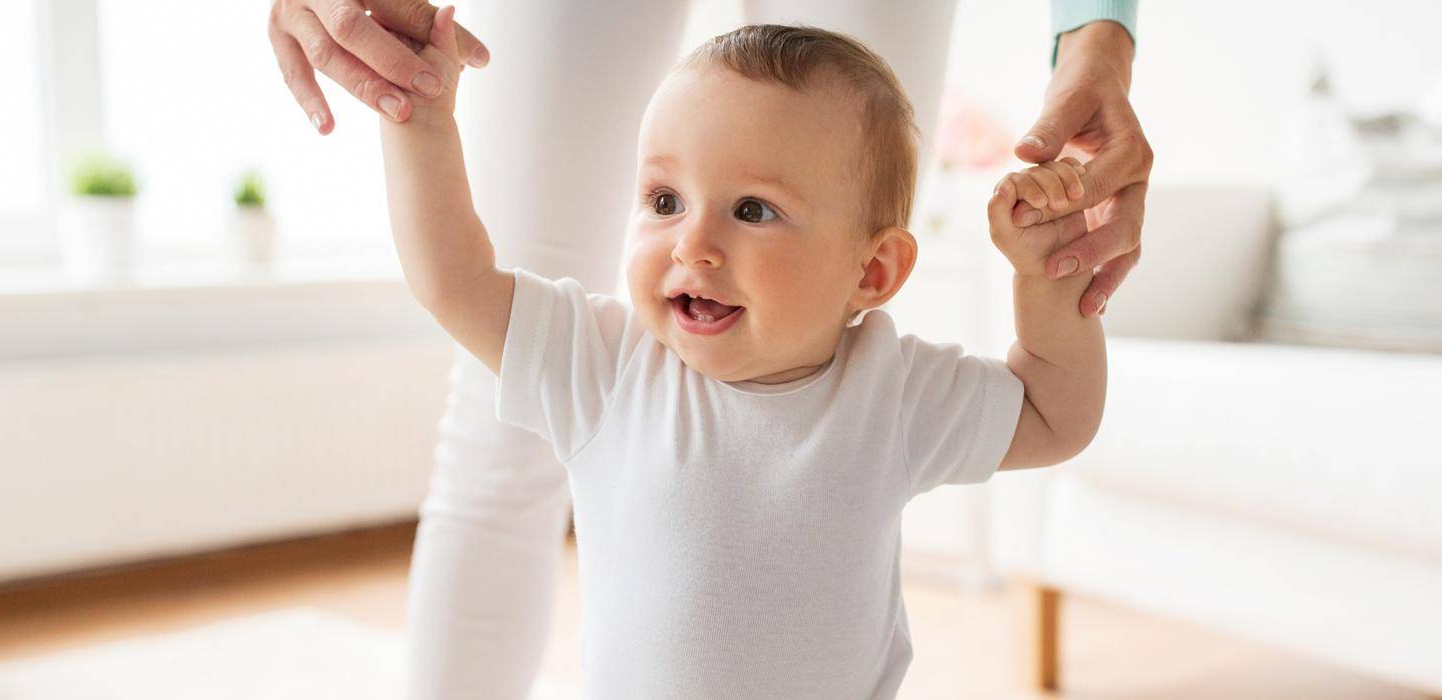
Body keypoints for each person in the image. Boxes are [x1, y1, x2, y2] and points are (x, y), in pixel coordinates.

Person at [265, 1, 1148, 696]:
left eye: (752, 210)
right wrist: (419, 122)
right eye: (663, 201)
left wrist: (1048, 285)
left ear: (874, 271)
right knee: (488, 465)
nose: (693, 244)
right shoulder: (604, 365)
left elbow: (1054, 417)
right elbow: (454, 280)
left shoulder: (893, 389)